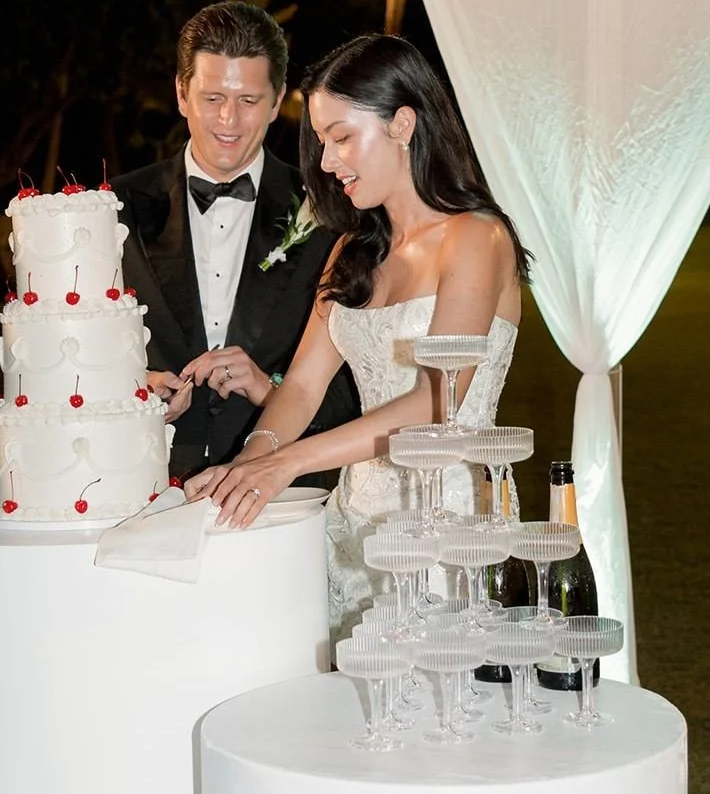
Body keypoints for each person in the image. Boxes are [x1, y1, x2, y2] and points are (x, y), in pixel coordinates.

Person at [185, 34, 531, 643]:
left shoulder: (477, 238)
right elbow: (300, 387)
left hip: (445, 526)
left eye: (341, 137)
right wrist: (250, 464)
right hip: (352, 526)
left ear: (403, 123)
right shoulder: (352, 252)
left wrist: (287, 464)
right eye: (321, 140)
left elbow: (438, 402)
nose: (325, 161)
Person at [112, 1, 358, 479]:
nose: (228, 120)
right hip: (141, 483)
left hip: (284, 491)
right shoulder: (113, 209)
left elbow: (362, 388)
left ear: (278, 99)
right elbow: (70, 359)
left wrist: (272, 388)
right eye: (211, 99)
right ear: (182, 94)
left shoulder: (332, 214)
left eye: (248, 101)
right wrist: (130, 390)